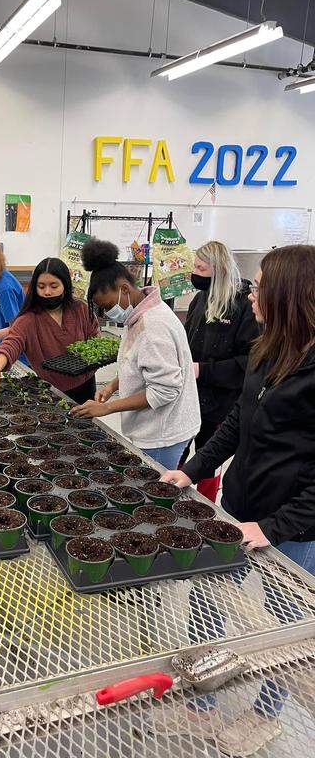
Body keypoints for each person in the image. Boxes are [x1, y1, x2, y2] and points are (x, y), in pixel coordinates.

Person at [161, 245, 315, 753]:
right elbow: (237, 423)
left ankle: (266, 714)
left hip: (293, 529)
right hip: (239, 507)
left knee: (286, 630)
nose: (251, 293)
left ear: (290, 294)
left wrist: (273, 528)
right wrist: (193, 469)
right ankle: (202, 706)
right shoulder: (270, 347)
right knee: (208, 599)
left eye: (261, 285)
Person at [71, 240, 200, 470]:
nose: (109, 313)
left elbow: (165, 390)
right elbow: (142, 365)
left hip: (162, 433)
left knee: (155, 495)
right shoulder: (141, 316)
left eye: (109, 305)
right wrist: (112, 386)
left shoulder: (153, 326)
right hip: (159, 427)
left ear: (124, 289)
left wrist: (108, 407)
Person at [179, 241, 260, 501]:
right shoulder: (200, 299)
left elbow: (249, 362)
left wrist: (204, 370)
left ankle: (206, 506)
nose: (195, 272)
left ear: (219, 270)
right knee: (180, 450)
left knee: (209, 455)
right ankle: (172, 495)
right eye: (195, 266)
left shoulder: (243, 306)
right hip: (190, 396)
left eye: (201, 267)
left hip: (221, 402)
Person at [0, 257, 99, 404]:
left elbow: (95, 338)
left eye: (54, 286)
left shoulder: (81, 310)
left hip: (86, 385)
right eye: (41, 286)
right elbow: (10, 345)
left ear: (65, 285)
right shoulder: (28, 319)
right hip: (51, 391)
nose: (47, 292)